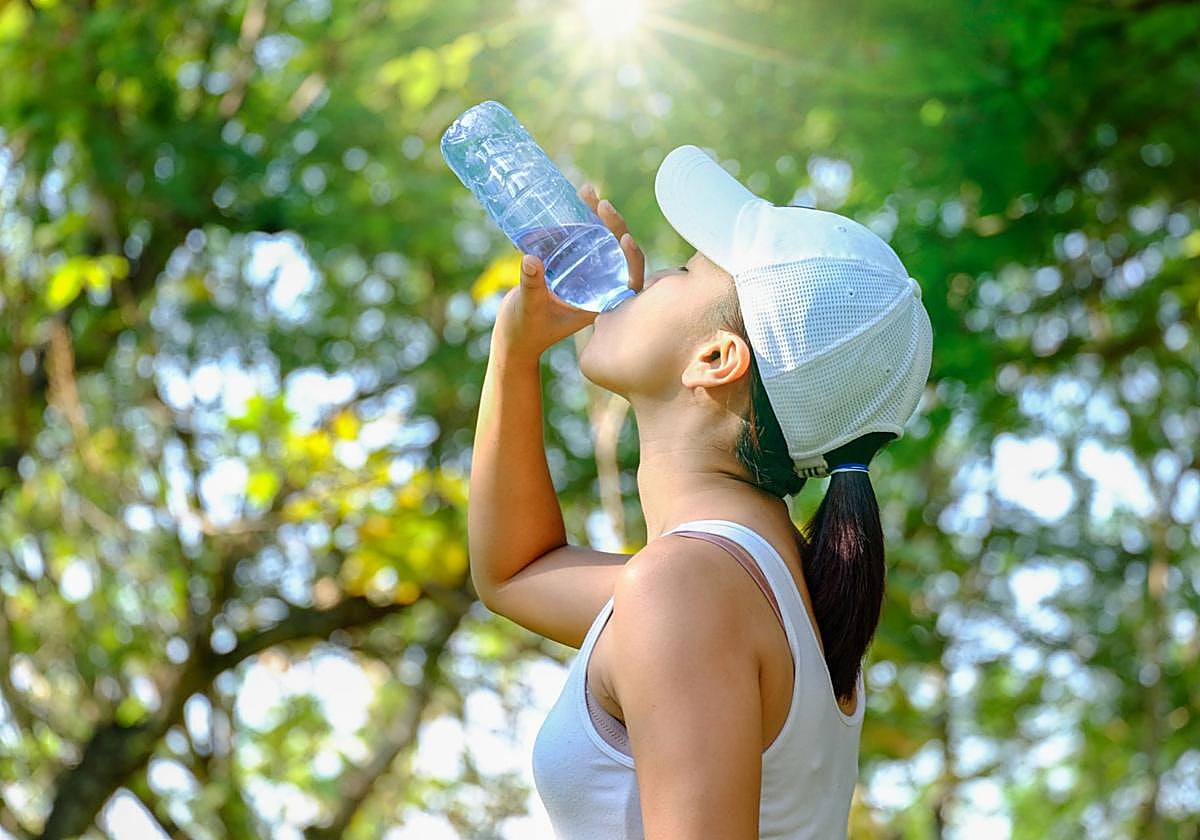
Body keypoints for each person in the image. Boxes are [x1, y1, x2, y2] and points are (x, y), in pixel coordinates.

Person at [467, 144, 933, 839]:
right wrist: (516, 351)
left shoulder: (689, 586)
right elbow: (515, 574)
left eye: (682, 271)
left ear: (715, 358)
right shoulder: (752, 581)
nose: (648, 274)